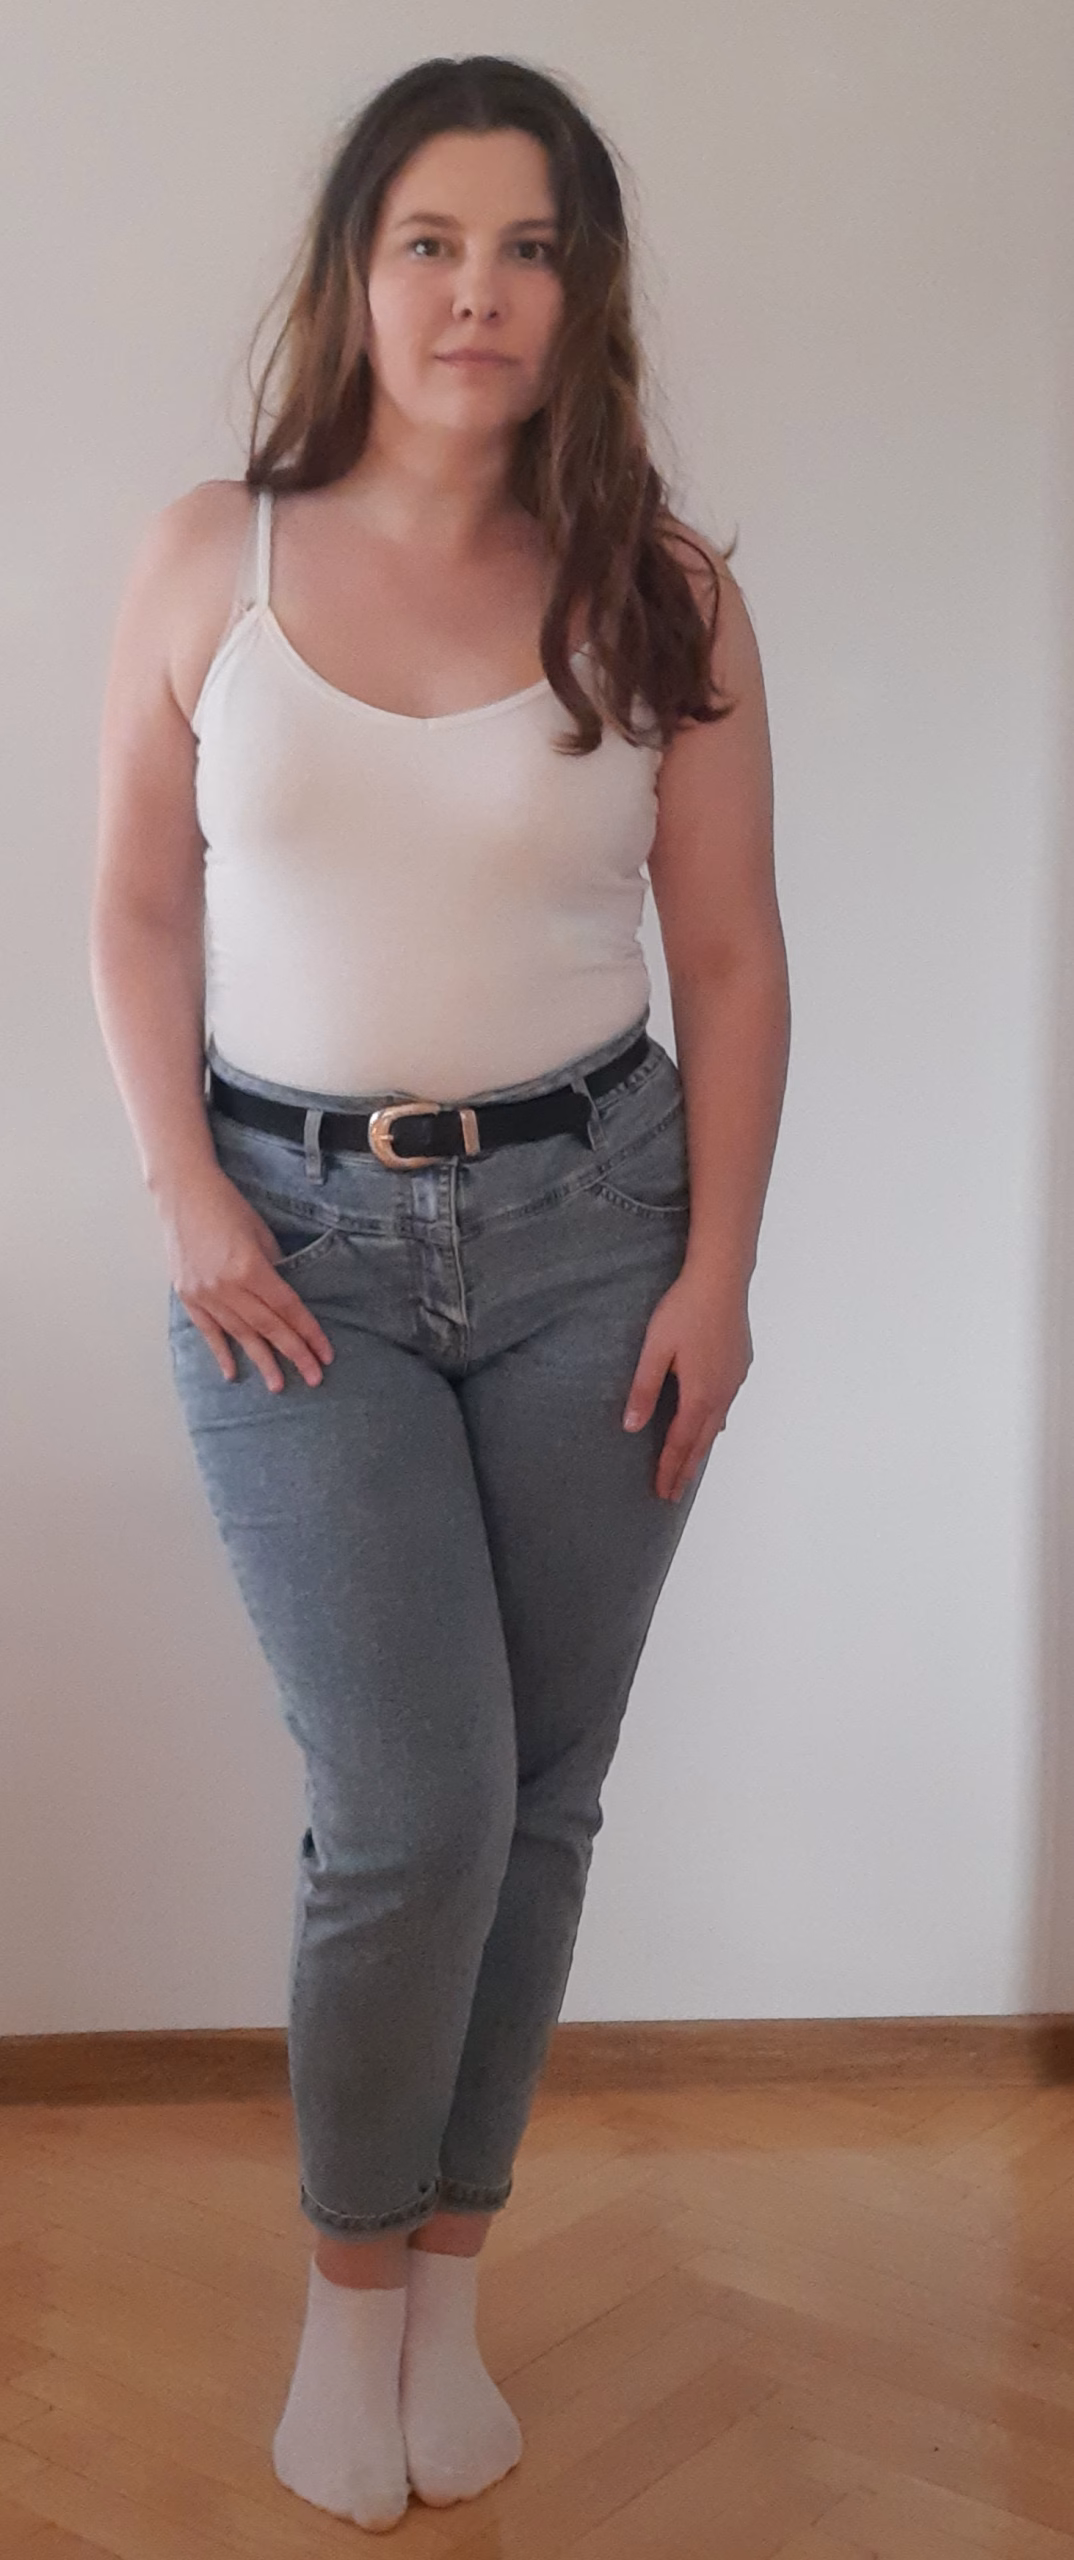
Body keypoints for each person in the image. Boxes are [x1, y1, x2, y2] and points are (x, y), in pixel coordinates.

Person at [90, 50, 788, 2537]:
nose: (475, 290)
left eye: (527, 247)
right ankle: (344, 2296)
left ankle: (453, 2285)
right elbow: (133, 902)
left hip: (603, 1232)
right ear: (356, 274)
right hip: (293, 1262)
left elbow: (733, 955)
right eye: (429, 239)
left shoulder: (665, 592)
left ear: (582, 294)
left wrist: (721, 1270)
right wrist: (185, 1195)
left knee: (544, 1793)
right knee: (411, 1807)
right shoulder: (213, 557)